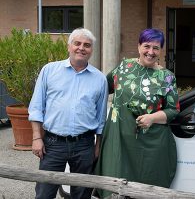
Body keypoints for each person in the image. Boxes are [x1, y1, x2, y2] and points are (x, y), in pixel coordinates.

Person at [94, 28, 180, 198]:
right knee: (114, 186)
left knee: (145, 190)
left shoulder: (166, 77)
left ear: (161, 50)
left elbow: (173, 110)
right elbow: (102, 87)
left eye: (156, 48)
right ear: (139, 46)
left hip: (149, 143)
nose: (150, 52)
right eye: (146, 46)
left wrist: (152, 117)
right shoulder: (124, 67)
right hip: (118, 139)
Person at [28, 28, 108, 199]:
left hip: (84, 145)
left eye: (87, 45)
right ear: (69, 46)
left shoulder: (99, 79)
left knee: (81, 194)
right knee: (44, 193)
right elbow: (36, 107)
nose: (81, 48)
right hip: (53, 144)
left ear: (91, 50)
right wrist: (36, 138)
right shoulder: (49, 71)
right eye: (77, 43)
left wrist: (97, 146)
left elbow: (101, 118)